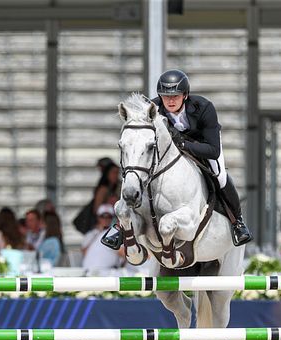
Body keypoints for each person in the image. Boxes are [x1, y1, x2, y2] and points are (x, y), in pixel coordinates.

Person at [102, 69, 252, 249]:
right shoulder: (154, 109)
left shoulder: (204, 108)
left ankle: (238, 222)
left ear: (185, 95)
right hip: (173, 149)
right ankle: (120, 226)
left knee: (220, 176)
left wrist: (183, 145)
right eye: (166, 96)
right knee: (136, 169)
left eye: (176, 96)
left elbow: (212, 150)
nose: (170, 101)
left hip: (203, 145)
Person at [82, 204, 124, 270]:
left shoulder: (112, 231)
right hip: (101, 272)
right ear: (98, 217)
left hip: (96, 272)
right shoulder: (111, 233)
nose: (106, 219)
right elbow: (126, 254)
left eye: (109, 216)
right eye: (103, 216)